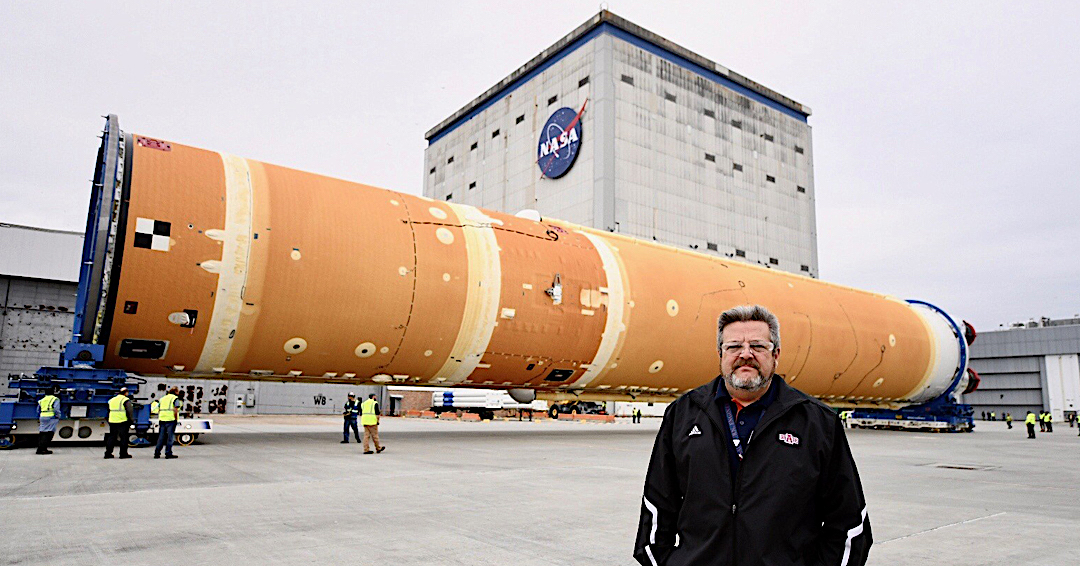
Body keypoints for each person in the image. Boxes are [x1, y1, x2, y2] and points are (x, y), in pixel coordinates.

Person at [635, 305, 871, 566]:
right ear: (720, 354)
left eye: (758, 346)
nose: (745, 354)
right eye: (734, 346)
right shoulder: (682, 415)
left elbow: (850, 523)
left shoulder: (817, 422)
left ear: (776, 354)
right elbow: (657, 507)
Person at [104, 387, 133, 459]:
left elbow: (108, 410)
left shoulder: (111, 400)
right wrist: (131, 420)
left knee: (112, 437)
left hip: (112, 420)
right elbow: (129, 411)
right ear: (126, 392)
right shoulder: (125, 400)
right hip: (122, 421)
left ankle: (108, 453)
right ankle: (123, 454)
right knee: (124, 438)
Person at [154, 386, 182, 459]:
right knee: (170, 437)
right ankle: (168, 453)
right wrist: (176, 419)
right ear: (175, 392)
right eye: (178, 391)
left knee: (161, 437)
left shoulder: (162, 398)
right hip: (170, 419)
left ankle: (157, 453)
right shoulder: (175, 399)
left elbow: (159, 409)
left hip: (162, 419)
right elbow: (175, 410)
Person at [36, 386, 61, 455]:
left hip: (42, 417)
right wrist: (58, 416)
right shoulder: (55, 399)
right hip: (51, 417)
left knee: (42, 432)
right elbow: (56, 409)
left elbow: (38, 410)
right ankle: (43, 449)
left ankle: (40, 448)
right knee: (49, 433)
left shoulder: (42, 400)